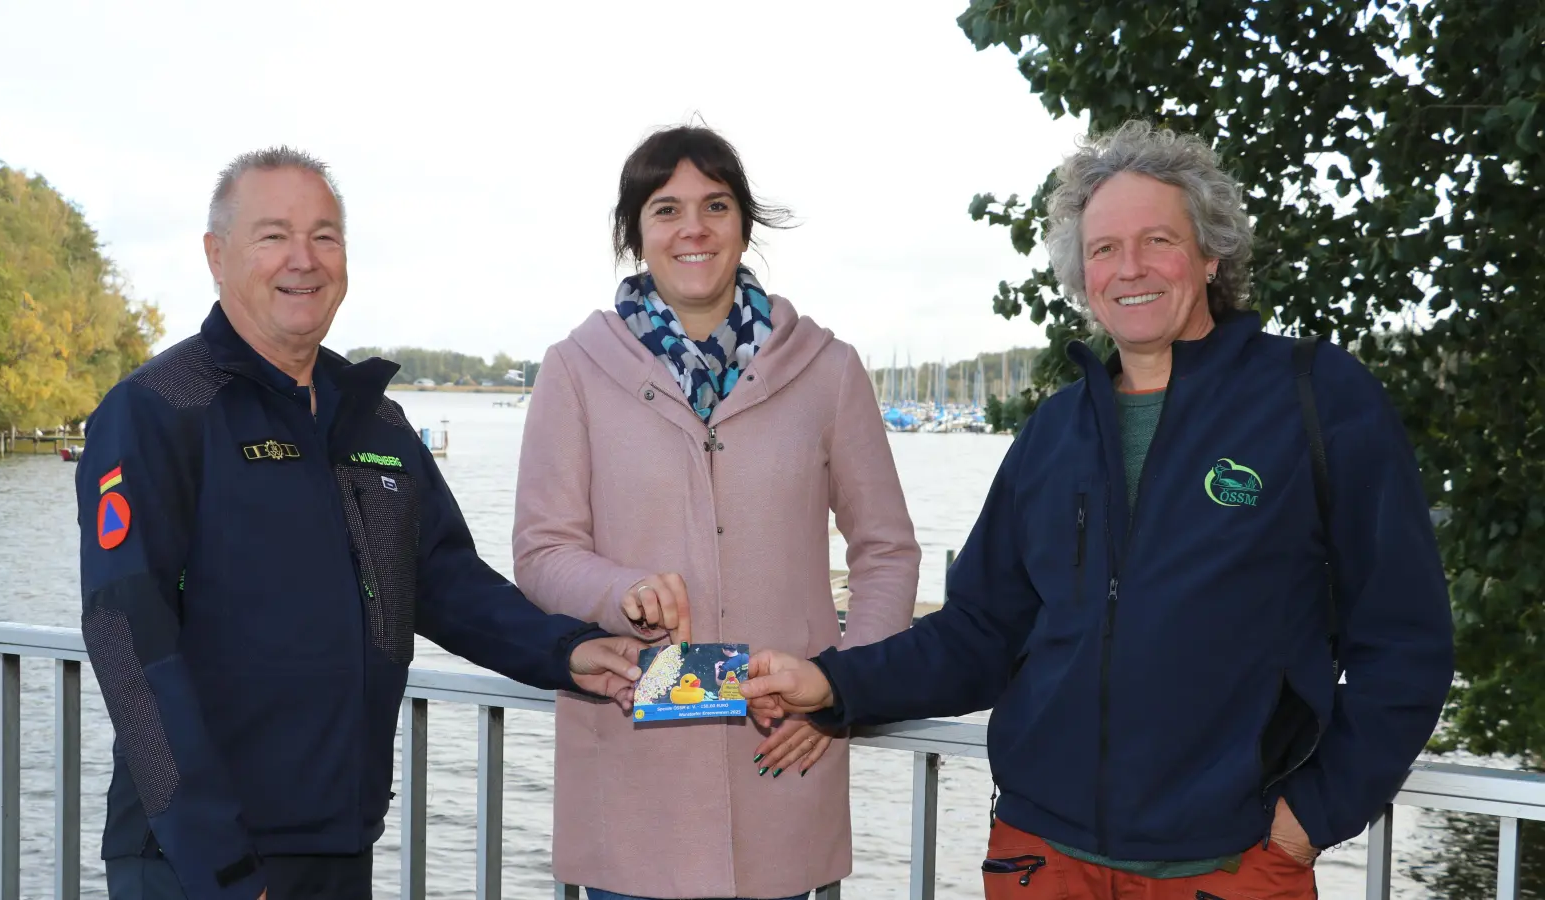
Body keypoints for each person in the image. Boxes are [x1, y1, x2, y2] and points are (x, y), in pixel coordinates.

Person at [742, 120, 1455, 900]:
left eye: (1158, 240)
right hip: (1041, 860)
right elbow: (980, 635)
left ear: (1211, 255)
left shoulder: (1316, 399)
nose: (1130, 268)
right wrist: (830, 681)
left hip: (1231, 865)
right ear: (1082, 276)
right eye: (1105, 248)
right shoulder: (1056, 431)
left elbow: (1405, 641)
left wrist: (1312, 817)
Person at [75, 147, 645, 900]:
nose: (303, 259)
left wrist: (568, 651)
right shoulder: (159, 409)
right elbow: (126, 637)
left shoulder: (373, 418)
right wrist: (218, 862)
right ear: (217, 255)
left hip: (339, 845)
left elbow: (442, 581)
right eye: (273, 235)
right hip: (198, 860)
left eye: (325, 236)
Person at [511, 125, 921, 900]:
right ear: (635, 233)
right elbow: (541, 552)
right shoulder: (573, 370)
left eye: (716, 205)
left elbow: (887, 551)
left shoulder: (829, 370)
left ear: (744, 224)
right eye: (666, 209)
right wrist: (620, 590)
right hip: (631, 782)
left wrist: (844, 690)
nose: (692, 228)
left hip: (782, 756)